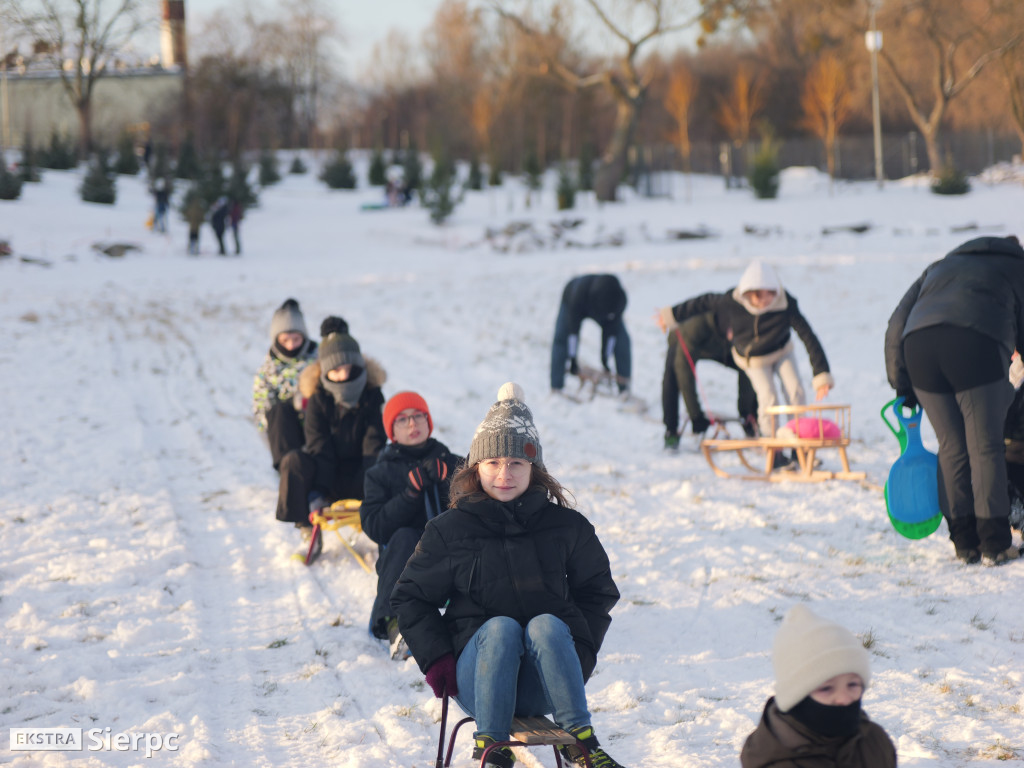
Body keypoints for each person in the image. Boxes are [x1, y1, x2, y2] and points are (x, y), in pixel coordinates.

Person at [392, 383, 625, 768]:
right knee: (500, 628)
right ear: (476, 466)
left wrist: (580, 648)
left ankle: (583, 742)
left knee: (546, 625)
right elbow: (409, 596)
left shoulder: (566, 527)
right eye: (493, 462)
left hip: (546, 681)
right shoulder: (450, 530)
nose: (504, 474)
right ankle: (492, 746)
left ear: (533, 468)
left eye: (516, 462)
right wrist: (437, 659)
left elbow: (597, 591)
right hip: (476, 678)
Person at [885, 235, 1024, 566]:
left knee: (952, 446)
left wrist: (901, 383)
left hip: (919, 350)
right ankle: (995, 543)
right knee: (985, 446)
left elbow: (896, 324)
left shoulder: (939, 267)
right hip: (976, 344)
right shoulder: (1017, 266)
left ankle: (965, 543)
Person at [659, 260, 833, 467]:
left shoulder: (786, 304)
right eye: (756, 295)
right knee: (768, 398)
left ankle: (800, 451)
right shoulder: (731, 302)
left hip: (781, 351)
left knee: (796, 391)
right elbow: (702, 302)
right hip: (754, 359)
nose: (761, 301)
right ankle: (774, 453)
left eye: (767, 294)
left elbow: (808, 336)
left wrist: (821, 373)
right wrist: (671, 315)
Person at [275, 317, 387, 556]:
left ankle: (390, 532)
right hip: (328, 477)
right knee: (294, 461)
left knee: (391, 459)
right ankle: (306, 527)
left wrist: (372, 490)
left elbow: (373, 444)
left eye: (348, 366)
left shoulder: (371, 394)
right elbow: (319, 445)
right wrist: (319, 492)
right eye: (336, 369)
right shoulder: (318, 398)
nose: (343, 373)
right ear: (325, 371)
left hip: (362, 474)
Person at [360, 391, 456, 659]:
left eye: (418, 416)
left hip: (449, 557)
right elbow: (374, 525)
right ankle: (394, 625)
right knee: (403, 536)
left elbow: (476, 510)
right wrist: (409, 494)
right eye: (403, 420)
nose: (412, 424)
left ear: (428, 421)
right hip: (404, 561)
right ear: (392, 430)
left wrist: (448, 482)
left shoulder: (452, 463)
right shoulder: (380, 473)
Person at [740, 604, 896, 768]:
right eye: (826, 688)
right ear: (796, 696)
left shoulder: (874, 741)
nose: (844, 698)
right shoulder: (775, 762)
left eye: (852, 684)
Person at [661, 310, 758, 449]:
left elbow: (750, 366)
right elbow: (684, 373)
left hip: (722, 346)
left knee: (751, 366)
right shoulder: (695, 327)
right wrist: (696, 416)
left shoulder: (743, 322)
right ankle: (671, 431)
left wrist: (747, 411)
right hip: (684, 339)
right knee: (673, 375)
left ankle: (750, 419)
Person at [251, 299, 318, 471]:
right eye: (285, 340)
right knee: (278, 410)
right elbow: (261, 412)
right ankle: (290, 470)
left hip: (317, 426)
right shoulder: (267, 371)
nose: (291, 345)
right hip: (286, 436)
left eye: (296, 339)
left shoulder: (318, 360)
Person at [551, 274, 631, 394]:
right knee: (561, 339)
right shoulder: (577, 297)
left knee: (622, 339)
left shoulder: (617, 300)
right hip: (572, 297)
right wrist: (573, 360)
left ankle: (624, 388)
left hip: (603, 304)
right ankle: (556, 387)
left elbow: (611, 333)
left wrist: (605, 361)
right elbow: (573, 333)